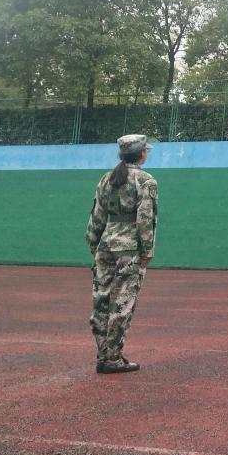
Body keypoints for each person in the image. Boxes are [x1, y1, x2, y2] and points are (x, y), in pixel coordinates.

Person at [85, 134, 157, 374]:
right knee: (122, 304)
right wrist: (147, 252)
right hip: (129, 250)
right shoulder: (146, 181)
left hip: (105, 246)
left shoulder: (106, 179)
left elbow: (96, 216)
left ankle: (103, 354)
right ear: (142, 154)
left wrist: (94, 244)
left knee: (101, 302)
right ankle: (112, 358)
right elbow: (145, 220)